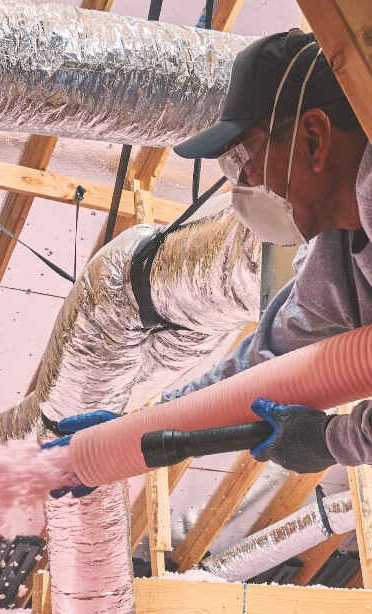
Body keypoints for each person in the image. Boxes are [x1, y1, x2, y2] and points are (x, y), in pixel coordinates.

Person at [162, 28, 372, 474]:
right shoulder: (335, 257)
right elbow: (264, 363)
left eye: (245, 157)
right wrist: (149, 422)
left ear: (314, 138)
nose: (244, 182)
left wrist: (334, 440)